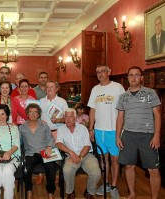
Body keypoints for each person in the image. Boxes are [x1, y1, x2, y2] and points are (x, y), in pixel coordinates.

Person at [116, 66, 161, 199]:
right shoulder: (123, 97)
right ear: (128, 78)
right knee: (129, 166)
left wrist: (157, 135)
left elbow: (157, 115)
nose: (134, 77)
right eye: (131, 75)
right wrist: (117, 136)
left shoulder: (150, 93)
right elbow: (120, 117)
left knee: (153, 170)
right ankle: (132, 193)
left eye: (137, 75)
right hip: (128, 135)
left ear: (141, 78)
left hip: (147, 135)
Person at [87, 65, 125, 197]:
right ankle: (106, 183)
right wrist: (91, 129)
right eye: (97, 72)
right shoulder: (95, 89)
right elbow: (92, 110)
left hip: (113, 130)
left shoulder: (118, 87)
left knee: (115, 159)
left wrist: (120, 130)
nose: (100, 74)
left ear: (109, 72)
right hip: (99, 130)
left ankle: (114, 186)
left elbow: (123, 110)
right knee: (103, 159)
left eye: (103, 71)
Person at [56, 108, 101, 199]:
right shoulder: (61, 129)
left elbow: (87, 146)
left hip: (86, 155)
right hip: (70, 156)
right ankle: (70, 191)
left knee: (96, 172)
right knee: (67, 170)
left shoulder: (82, 128)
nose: (68, 119)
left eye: (71, 117)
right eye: (66, 116)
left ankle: (89, 192)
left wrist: (79, 157)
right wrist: (71, 153)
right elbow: (58, 143)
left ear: (75, 118)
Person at [19, 103, 57, 199]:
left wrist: (49, 147)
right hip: (30, 153)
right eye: (30, 112)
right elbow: (17, 142)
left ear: (38, 114)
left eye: (35, 112)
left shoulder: (44, 125)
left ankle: (50, 192)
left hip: (44, 151)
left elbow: (50, 138)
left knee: (51, 167)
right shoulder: (22, 127)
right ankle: (29, 190)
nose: (33, 114)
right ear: (27, 114)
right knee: (26, 169)